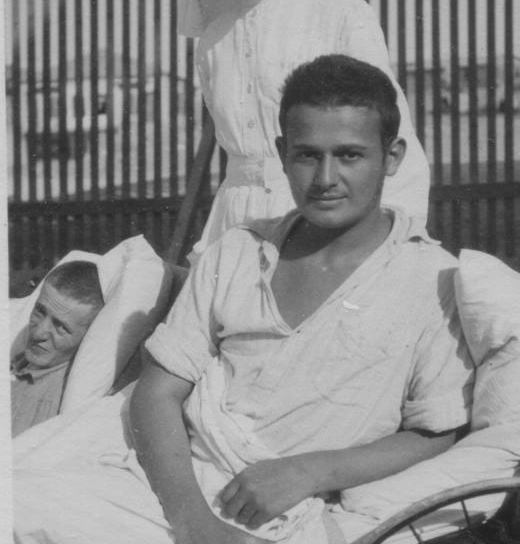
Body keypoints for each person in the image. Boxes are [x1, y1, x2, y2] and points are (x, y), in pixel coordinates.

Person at [13, 55, 472, 544]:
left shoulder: (432, 279)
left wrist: (309, 472)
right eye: (307, 155)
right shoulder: (237, 252)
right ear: (282, 153)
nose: (326, 178)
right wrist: (193, 523)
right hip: (169, 483)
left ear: (393, 156)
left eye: (350, 155)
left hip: (284, 507)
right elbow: (159, 392)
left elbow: (436, 431)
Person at [179, 0, 430, 258]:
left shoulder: (340, 11)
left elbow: (383, 129)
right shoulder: (215, 34)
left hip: (316, 203)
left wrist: (391, 238)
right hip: (235, 214)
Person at [10, 260, 104, 437]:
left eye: (60, 327)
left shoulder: (53, 402)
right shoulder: (18, 358)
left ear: (87, 336)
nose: (38, 333)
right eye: (40, 312)